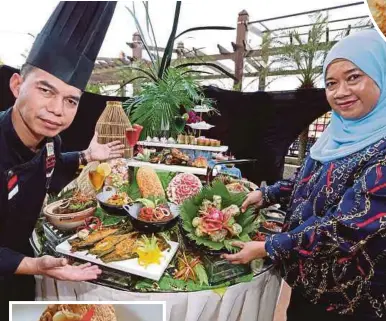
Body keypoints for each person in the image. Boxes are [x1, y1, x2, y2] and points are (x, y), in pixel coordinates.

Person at [223, 29, 386, 321]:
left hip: (350, 299)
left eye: (353, 77)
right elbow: (305, 181)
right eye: (331, 83)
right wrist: (268, 193)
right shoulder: (336, 134)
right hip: (307, 282)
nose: (340, 92)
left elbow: (347, 228)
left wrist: (269, 246)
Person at [0, 1, 121, 313]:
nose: (57, 110)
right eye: (46, 90)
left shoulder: (52, 141)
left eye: (71, 100)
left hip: (19, 273)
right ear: (17, 85)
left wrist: (86, 155)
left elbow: (43, 166)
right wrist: (34, 264)